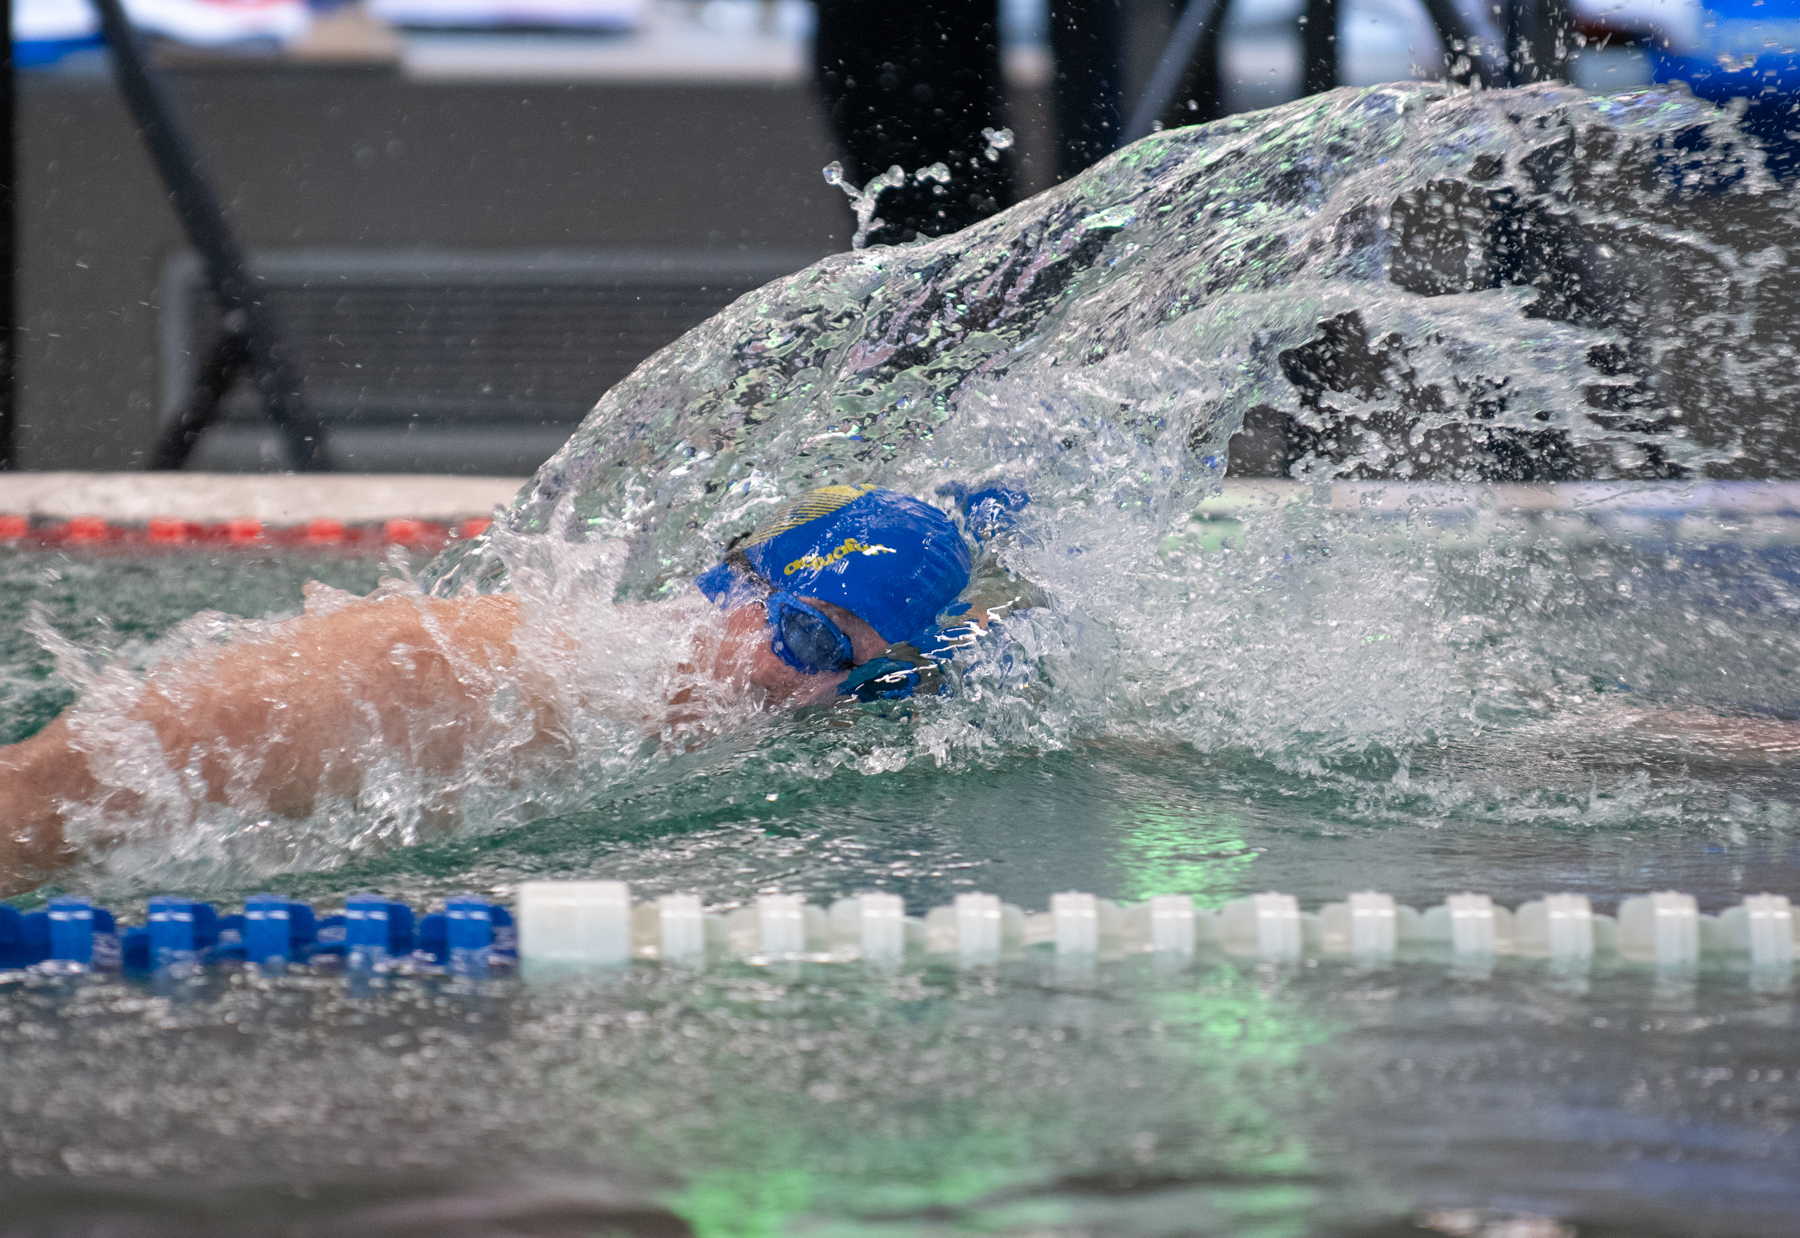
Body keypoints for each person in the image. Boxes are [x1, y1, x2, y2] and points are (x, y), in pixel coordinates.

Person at [0, 485, 979, 896]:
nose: (806, 693)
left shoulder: (693, 720)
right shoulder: (458, 671)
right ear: (737, 587)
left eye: (859, 678)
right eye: (806, 639)